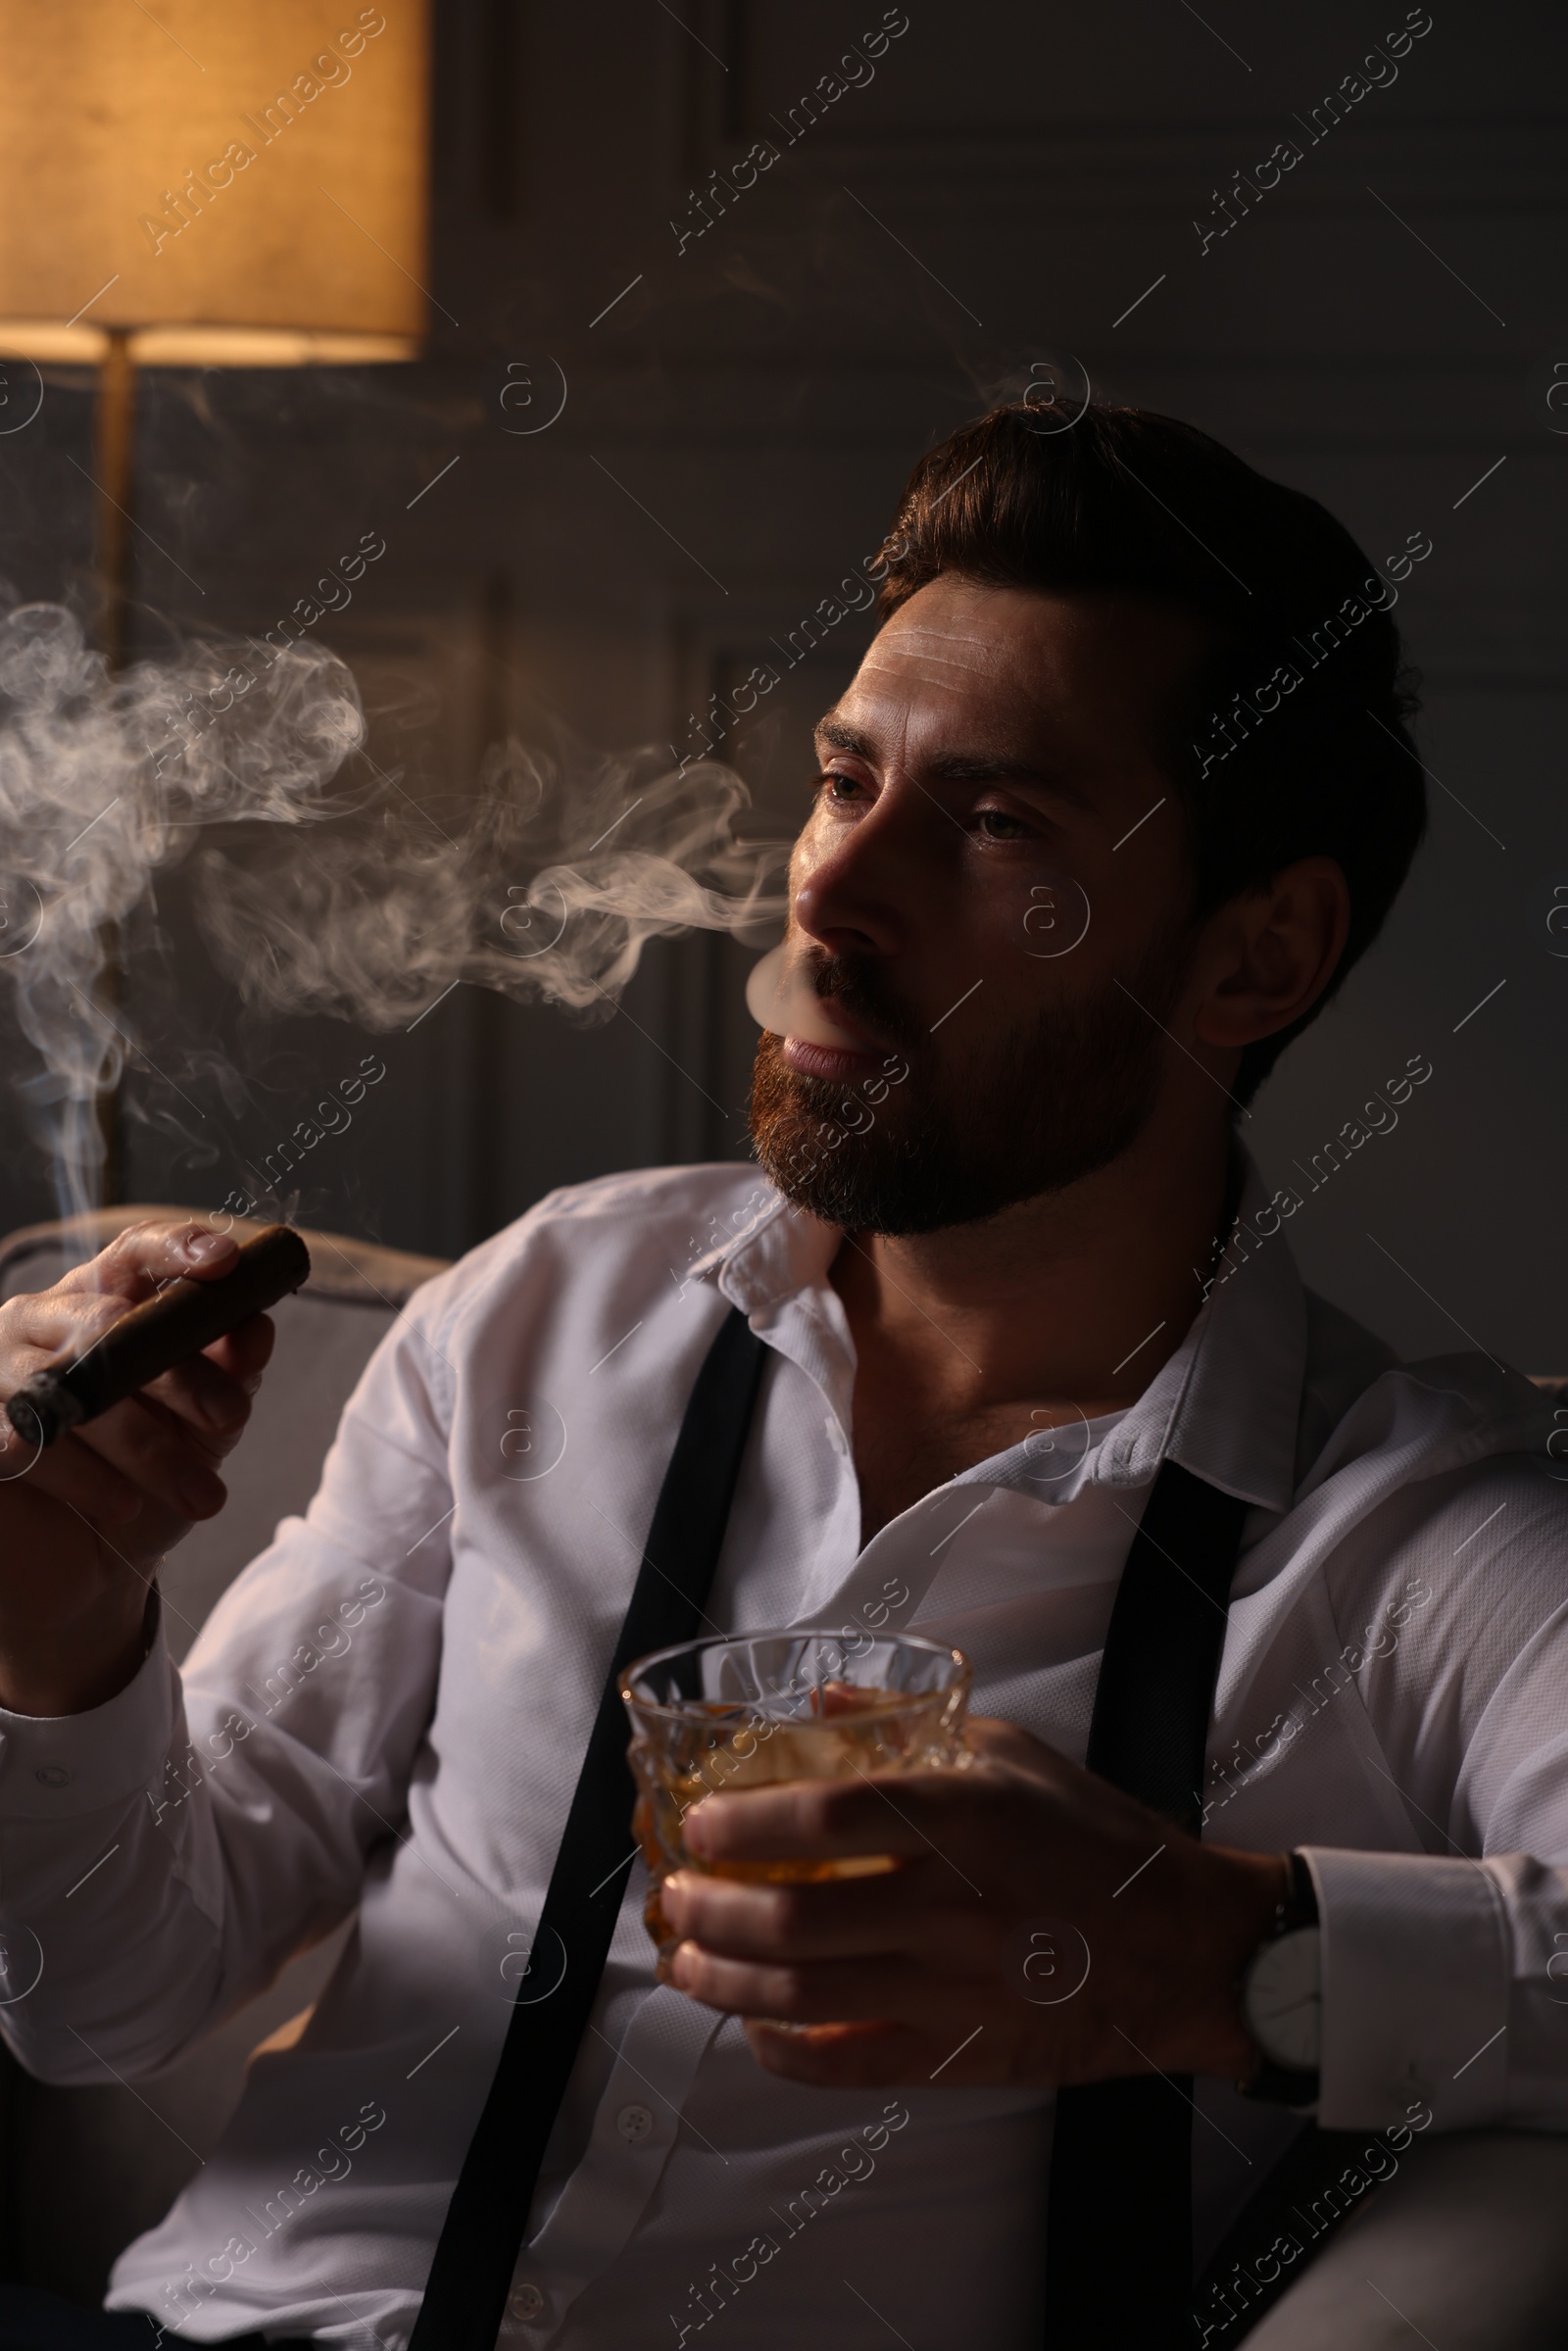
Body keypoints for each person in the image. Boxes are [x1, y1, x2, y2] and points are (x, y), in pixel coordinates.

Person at [0, 402, 1565, 2351]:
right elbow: (102, 1997)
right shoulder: (542, 1311)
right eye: (845, 780)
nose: (829, 891)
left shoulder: (1420, 1537)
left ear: (1255, 958)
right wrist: (61, 1649)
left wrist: (1196, 1957)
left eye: (992, 824)